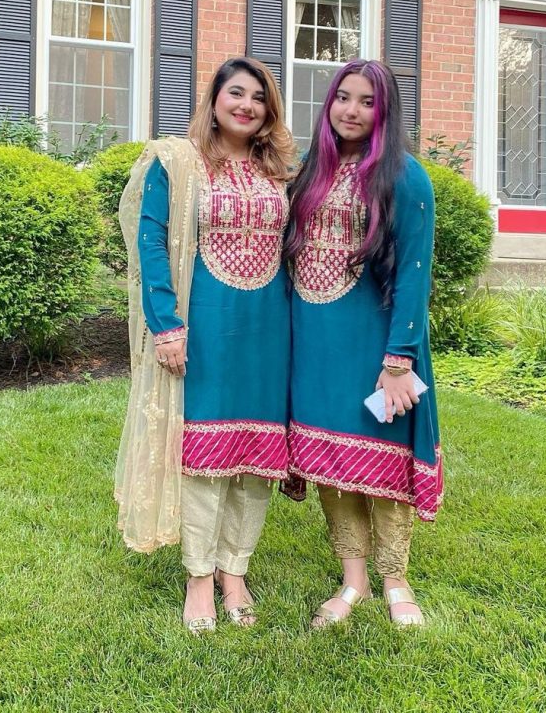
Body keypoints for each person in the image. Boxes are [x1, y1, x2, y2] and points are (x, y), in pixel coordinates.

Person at [115, 57, 295, 633]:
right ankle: (199, 575)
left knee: (258, 453)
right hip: (206, 323)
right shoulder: (178, 161)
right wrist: (166, 324)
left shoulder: (281, 172)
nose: (245, 105)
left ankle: (234, 569)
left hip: (269, 327)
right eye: (235, 93)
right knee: (204, 452)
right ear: (214, 100)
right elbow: (151, 243)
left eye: (258, 97)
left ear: (269, 110)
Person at [284, 58, 442, 629]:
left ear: (385, 111)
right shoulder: (311, 169)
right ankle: (353, 581)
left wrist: (398, 359)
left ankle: (396, 579)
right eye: (343, 98)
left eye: (367, 101)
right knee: (330, 459)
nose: (352, 110)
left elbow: (413, 274)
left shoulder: (404, 176)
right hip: (314, 342)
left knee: (381, 462)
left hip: (375, 343)